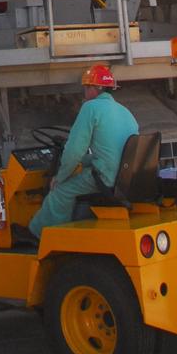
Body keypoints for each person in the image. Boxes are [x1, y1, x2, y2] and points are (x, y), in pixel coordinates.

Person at [29, 62, 138, 234]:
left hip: (106, 178)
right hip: (123, 177)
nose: (84, 94)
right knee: (81, 171)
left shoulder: (90, 108)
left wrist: (60, 177)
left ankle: (40, 237)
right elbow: (111, 152)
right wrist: (85, 161)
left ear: (94, 88)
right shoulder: (125, 111)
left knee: (60, 192)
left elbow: (74, 151)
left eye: (86, 88)